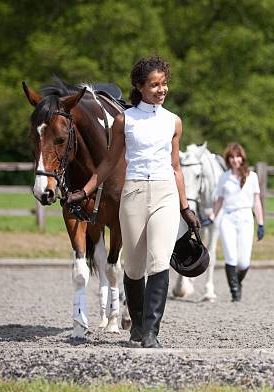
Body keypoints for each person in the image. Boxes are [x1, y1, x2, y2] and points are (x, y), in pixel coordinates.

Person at [67, 56, 200, 348]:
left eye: (164, 83)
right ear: (140, 87)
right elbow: (108, 162)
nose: (161, 89)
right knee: (134, 267)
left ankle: (151, 332)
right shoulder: (124, 120)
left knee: (159, 261)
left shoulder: (173, 122)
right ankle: (137, 327)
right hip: (134, 194)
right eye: (154, 84)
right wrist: (85, 191)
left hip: (165, 192)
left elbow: (176, 167)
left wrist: (185, 207)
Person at [209, 143, 264, 301]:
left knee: (243, 262)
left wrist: (260, 223)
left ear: (242, 158)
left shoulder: (251, 177)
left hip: (246, 218)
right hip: (228, 219)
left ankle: (237, 282)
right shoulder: (224, 177)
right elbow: (219, 200)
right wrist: (212, 217)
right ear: (228, 159)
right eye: (232, 157)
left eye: (238, 156)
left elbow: (257, 201)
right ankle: (235, 292)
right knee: (231, 257)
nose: (235, 160)